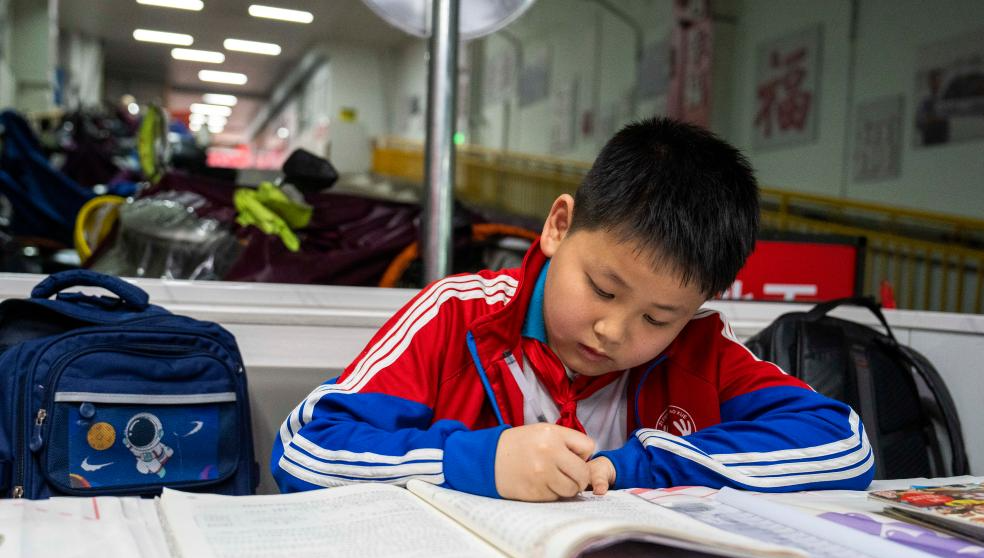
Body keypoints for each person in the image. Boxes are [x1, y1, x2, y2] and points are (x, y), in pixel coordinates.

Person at [272, 118, 874, 501]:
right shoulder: (459, 317)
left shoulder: (698, 348)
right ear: (559, 226)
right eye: (603, 290)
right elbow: (306, 450)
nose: (613, 330)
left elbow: (843, 444)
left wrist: (642, 465)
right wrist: (477, 462)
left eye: (656, 318)